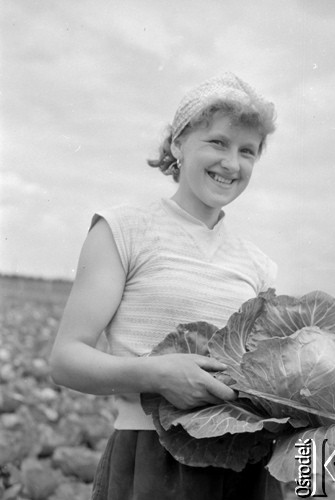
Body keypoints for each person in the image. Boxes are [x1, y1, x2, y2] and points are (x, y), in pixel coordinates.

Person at [49, 73, 283, 500]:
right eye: (217, 143)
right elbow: (65, 360)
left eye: (247, 151)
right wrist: (156, 375)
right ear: (177, 145)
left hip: (246, 467)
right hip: (150, 462)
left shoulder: (259, 265)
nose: (232, 163)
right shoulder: (123, 230)